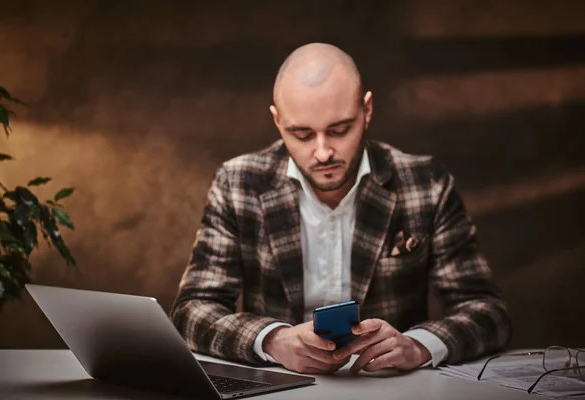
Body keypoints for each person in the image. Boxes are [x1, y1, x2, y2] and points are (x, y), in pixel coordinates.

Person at [169, 42, 512, 375]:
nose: (322, 152)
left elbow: (488, 312)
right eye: (302, 134)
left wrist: (419, 345)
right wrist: (272, 339)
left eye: (339, 130)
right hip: (281, 386)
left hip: (392, 388)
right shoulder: (238, 183)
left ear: (367, 110)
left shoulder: (426, 183)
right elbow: (191, 311)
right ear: (277, 121)